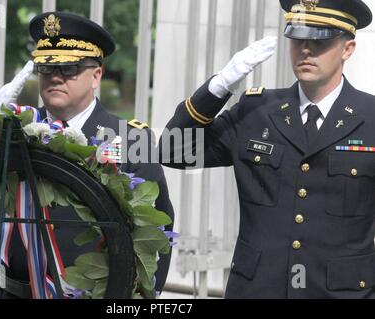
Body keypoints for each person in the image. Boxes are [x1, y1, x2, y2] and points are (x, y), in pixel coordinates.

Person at [160, 0, 375, 298]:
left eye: (320, 41)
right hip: (258, 288)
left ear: (347, 49)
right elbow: (172, 151)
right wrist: (220, 87)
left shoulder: (371, 117)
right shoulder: (256, 110)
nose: (306, 50)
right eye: (298, 39)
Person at [0, 11, 174, 298]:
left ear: (96, 75)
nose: (55, 78)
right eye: (46, 69)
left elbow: (158, 231)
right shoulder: (15, 130)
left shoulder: (130, 139)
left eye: (69, 69)